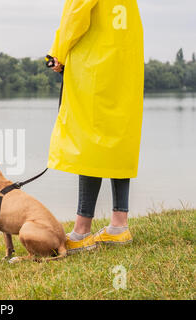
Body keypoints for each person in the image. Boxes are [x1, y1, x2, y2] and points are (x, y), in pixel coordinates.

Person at [47, 0, 144, 252]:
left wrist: (57, 53)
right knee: (118, 141)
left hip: (95, 67)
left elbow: (75, 17)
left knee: (88, 143)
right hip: (125, 67)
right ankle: (119, 226)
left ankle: (81, 231)